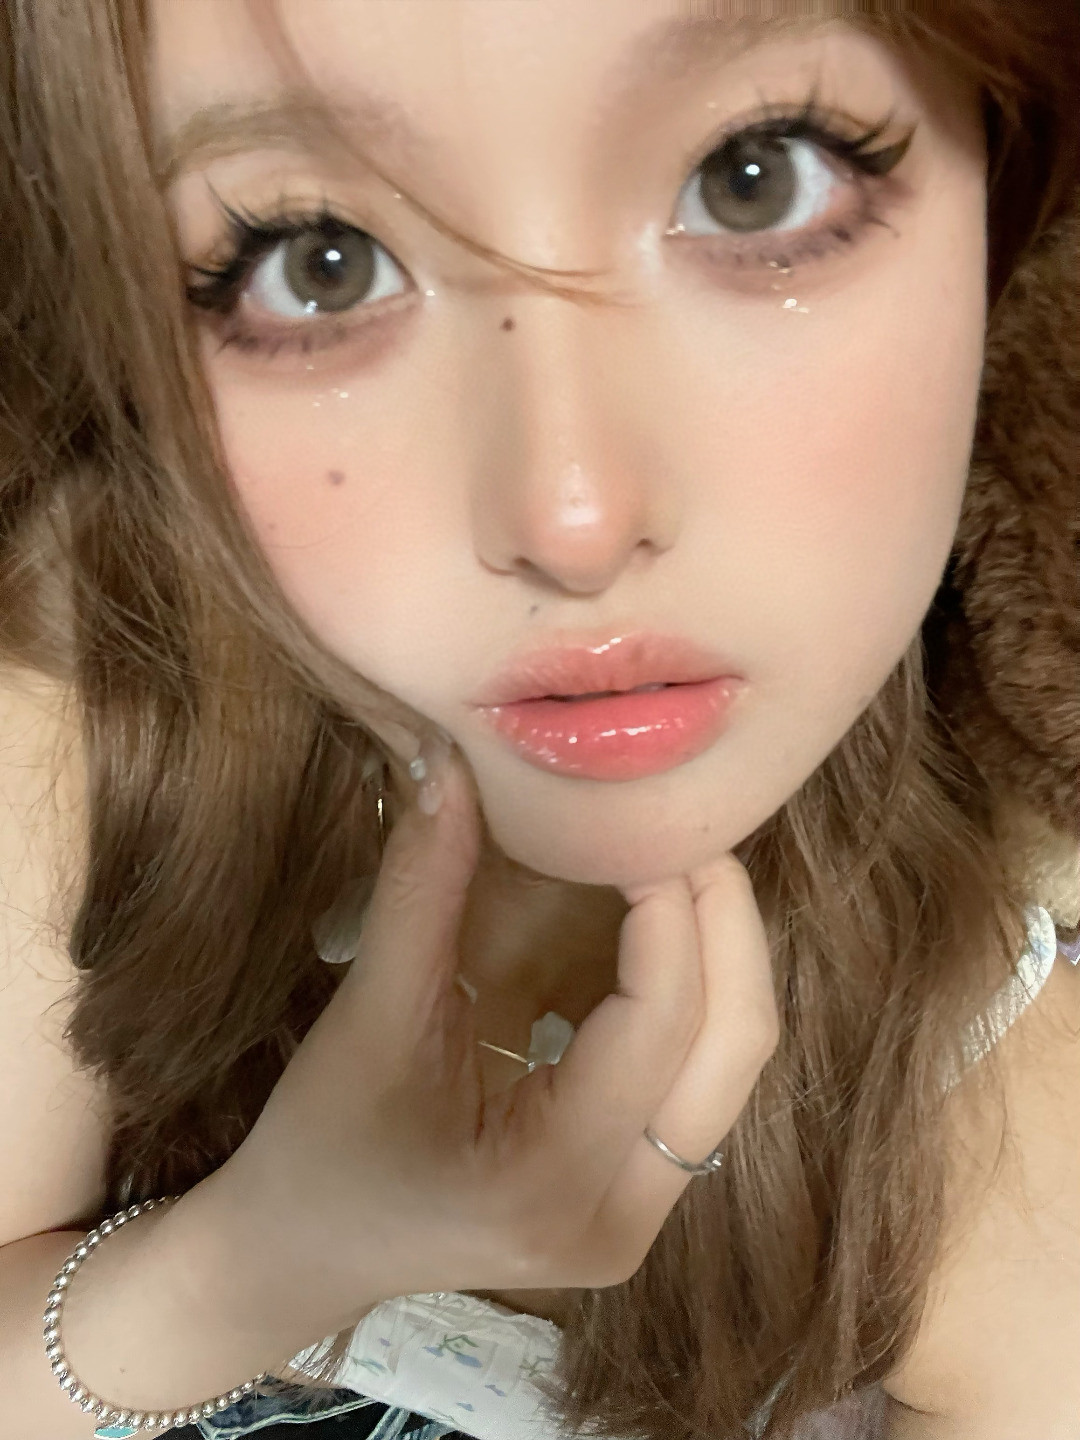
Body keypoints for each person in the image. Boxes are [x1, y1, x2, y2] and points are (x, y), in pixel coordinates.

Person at [0, 2, 1077, 1438]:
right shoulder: (92, 685)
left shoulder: (1012, 1131)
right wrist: (266, 1253)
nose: (572, 518)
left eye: (755, 178)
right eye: (319, 262)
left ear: (1011, 196)